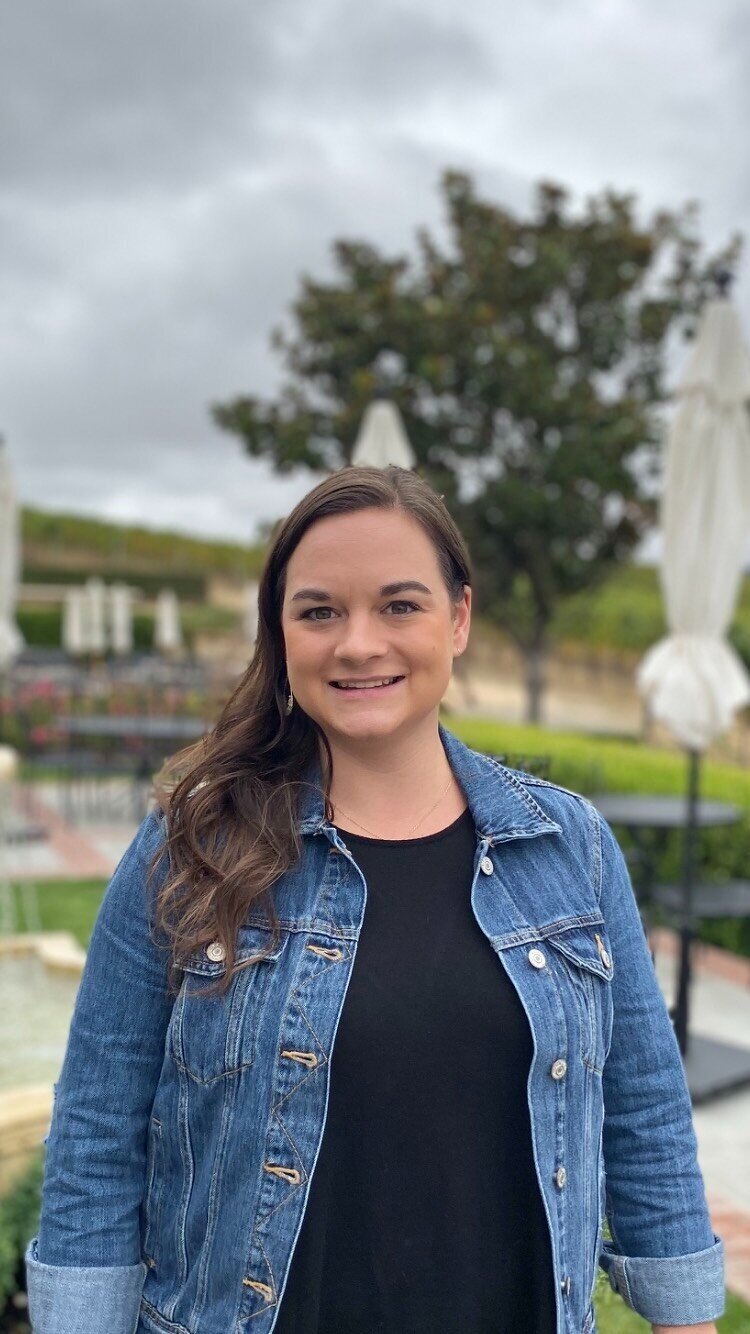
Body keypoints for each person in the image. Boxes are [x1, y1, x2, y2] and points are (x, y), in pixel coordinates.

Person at [26, 466, 724, 1334]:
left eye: (400, 605)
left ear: (458, 618)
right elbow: (98, 1134)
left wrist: (687, 1317)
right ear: (280, 636)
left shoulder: (570, 848)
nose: (359, 644)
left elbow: (646, 1110)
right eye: (319, 611)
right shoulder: (188, 850)